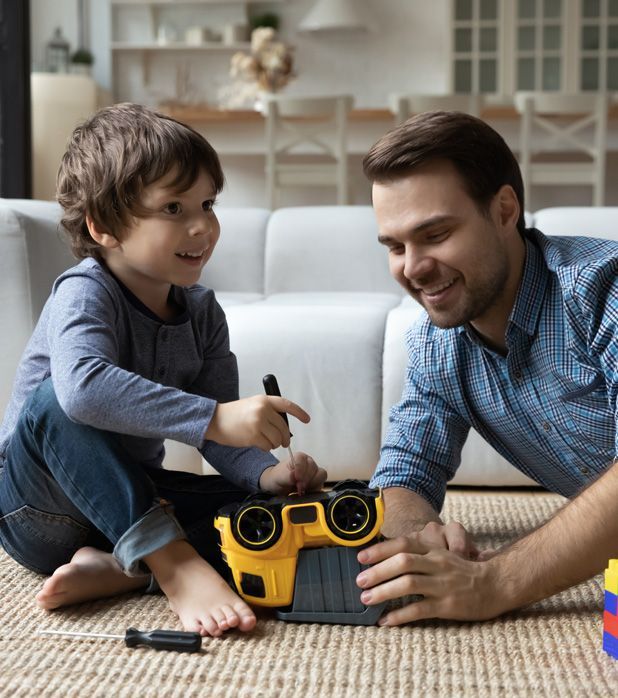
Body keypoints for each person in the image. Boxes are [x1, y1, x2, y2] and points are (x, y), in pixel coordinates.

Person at [0, 102, 326, 637]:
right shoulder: (85, 291)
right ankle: (172, 565)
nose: (202, 225)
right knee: (55, 397)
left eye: (207, 204)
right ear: (104, 227)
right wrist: (217, 416)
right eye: (173, 208)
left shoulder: (201, 312)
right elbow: (82, 394)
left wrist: (267, 473)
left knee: (271, 514)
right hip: (38, 508)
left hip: (132, 499)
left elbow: (219, 440)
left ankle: (123, 570)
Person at [355, 110, 618, 626]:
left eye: (435, 234)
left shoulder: (602, 289)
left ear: (503, 210)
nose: (412, 267)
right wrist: (419, 535)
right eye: (395, 246)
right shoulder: (437, 347)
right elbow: (403, 477)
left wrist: (496, 581)